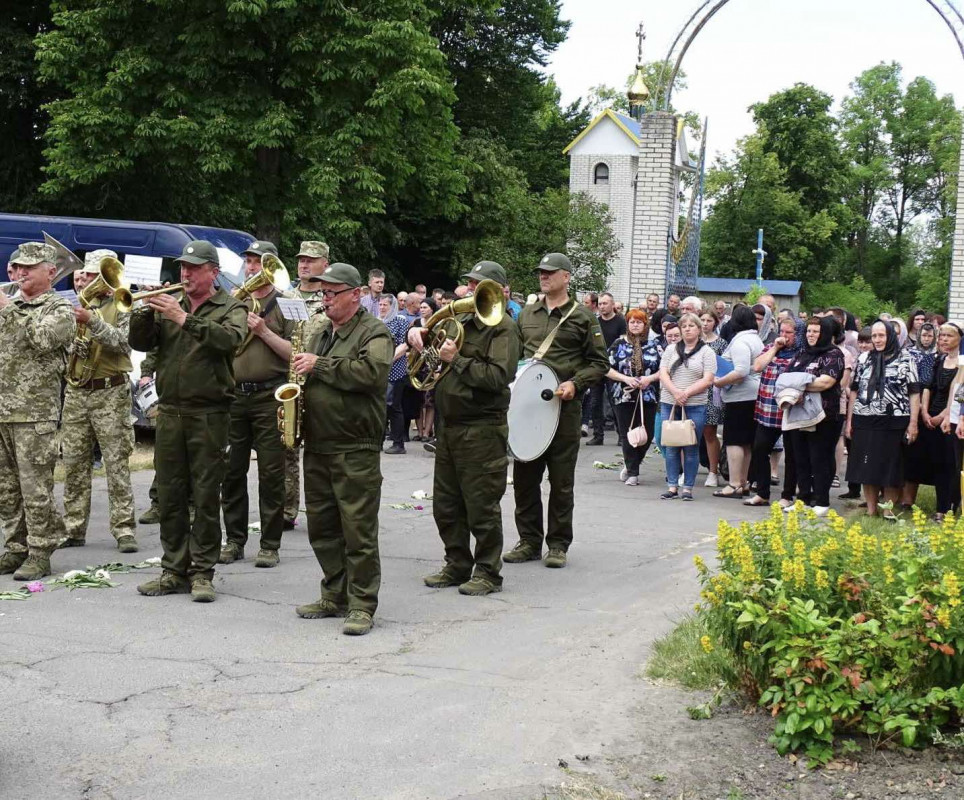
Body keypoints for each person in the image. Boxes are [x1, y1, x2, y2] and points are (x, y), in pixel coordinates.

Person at [131, 240, 247, 602]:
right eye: (183, 267)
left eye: (194, 268)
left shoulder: (232, 306)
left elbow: (231, 341)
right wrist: (143, 313)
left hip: (209, 413)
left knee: (205, 494)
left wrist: (184, 318)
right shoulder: (172, 303)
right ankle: (173, 569)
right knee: (170, 494)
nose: (185, 273)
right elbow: (140, 343)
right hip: (170, 412)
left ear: (213, 272)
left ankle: (202, 572)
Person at [408, 261, 521, 595]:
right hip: (451, 426)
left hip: (482, 428)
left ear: (499, 291)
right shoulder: (461, 321)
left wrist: (455, 359)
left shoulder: (504, 328)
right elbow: (430, 360)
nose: (471, 291)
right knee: (446, 504)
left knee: (481, 504)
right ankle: (457, 563)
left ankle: (488, 572)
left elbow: (498, 377)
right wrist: (420, 335)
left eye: (478, 286)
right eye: (470, 285)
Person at [292, 262, 391, 635]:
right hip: (318, 444)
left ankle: (362, 604)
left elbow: (372, 374)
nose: (325, 299)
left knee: (358, 531)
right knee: (322, 527)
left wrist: (319, 366)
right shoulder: (320, 334)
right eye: (322, 293)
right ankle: (334, 593)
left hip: (355, 445)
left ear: (356, 294)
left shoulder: (374, 331)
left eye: (332, 293)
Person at [506, 253, 608, 568]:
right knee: (525, 478)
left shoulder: (583, 317)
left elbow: (599, 363)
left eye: (550, 272)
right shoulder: (526, 314)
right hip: (529, 409)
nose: (543, 276)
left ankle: (558, 544)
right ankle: (528, 541)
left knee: (561, 481)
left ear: (566, 277)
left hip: (564, 407)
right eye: (541, 272)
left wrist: (576, 384)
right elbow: (515, 359)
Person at [0, 242, 76, 580]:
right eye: (18, 267)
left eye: (29, 268)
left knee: (35, 489)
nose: (21, 273)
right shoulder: (13, 305)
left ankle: (40, 551)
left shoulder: (59, 308)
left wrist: (8, 310)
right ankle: (15, 548)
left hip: (35, 414)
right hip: (3, 409)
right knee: (7, 489)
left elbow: (43, 340)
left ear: (50, 271)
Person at [218, 241, 295, 569]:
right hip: (234, 396)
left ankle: (270, 544)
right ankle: (234, 540)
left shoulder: (287, 304)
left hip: (269, 397)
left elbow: (295, 353)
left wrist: (263, 330)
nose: (251, 268)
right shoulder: (233, 302)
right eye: (248, 262)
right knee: (231, 472)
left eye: (258, 263)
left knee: (271, 473)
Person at [61, 249, 138, 553]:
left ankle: (124, 529)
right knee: (75, 463)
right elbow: (62, 343)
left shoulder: (123, 304)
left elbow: (123, 343)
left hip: (110, 391)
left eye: (98, 276)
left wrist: (92, 322)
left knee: (116, 462)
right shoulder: (80, 304)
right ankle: (73, 528)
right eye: (90, 275)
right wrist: (74, 345)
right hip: (78, 391)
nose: (92, 282)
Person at [845, 320, 920, 519]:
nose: (877, 340)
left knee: (890, 467)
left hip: (894, 421)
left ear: (890, 336)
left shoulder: (906, 358)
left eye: (881, 336)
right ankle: (871, 510)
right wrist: (850, 421)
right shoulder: (863, 358)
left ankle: (887, 510)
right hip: (864, 420)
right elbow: (854, 391)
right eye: (874, 336)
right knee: (866, 467)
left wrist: (913, 423)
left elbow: (914, 392)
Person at [286, 240, 331, 530]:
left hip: (320, 382)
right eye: (301, 259)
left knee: (320, 450)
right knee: (286, 448)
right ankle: (287, 510)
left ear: (324, 264)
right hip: (289, 382)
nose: (304, 264)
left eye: (311, 260)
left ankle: (323, 511)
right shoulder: (286, 297)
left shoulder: (331, 298)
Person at [782, 317, 845, 516]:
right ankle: (803, 499)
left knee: (819, 458)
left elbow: (825, 382)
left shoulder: (834, 354)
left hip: (824, 416)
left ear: (824, 333)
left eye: (816, 331)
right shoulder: (802, 353)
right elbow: (784, 378)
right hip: (798, 413)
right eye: (809, 331)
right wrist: (802, 382)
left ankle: (821, 501)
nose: (811, 335)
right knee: (800, 458)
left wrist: (797, 384)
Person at [743, 317, 805, 508]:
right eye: (782, 332)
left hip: (790, 411)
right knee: (760, 449)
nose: (784, 336)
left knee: (793, 455)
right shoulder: (771, 347)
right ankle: (762, 493)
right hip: (768, 410)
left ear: (798, 334)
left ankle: (787, 496)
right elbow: (757, 366)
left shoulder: (803, 353)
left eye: (789, 333)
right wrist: (775, 348)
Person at [657, 312, 716, 500]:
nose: (687, 329)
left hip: (695, 404)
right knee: (672, 445)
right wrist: (675, 392)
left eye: (692, 326)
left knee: (691, 445)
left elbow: (708, 379)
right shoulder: (671, 350)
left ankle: (688, 488)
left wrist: (686, 393)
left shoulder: (707, 352)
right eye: (684, 326)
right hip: (670, 402)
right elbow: (663, 373)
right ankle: (672, 486)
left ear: (699, 329)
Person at [910, 323, 962, 520]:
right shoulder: (938, 360)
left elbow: (959, 393)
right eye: (942, 336)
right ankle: (940, 508)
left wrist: (944, 414)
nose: (944, 340)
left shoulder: (962, 361)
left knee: (952, 466)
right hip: (930, 417)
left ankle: (951, 507)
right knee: (938, 464)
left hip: (951, 418)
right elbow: (927, 386)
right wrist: (924, 411)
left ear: (959, 339)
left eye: (949, 336)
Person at [713, 305, 763, 497]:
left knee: (734, 441)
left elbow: (740, 371)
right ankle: (744, 481)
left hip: (740, 396)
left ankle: (734, 483)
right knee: (746, 442)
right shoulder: (756, 339)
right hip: (752, 395)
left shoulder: (741, 342)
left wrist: (719, 382)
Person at [606, 309, 661, 486]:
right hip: (624, 394)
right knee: (627, 433)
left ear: (645, 325)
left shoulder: (654, 345)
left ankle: (633, 463)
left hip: (648, 394)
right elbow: (606, 368)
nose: (635, 325)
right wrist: (626, 379)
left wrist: (649, 379)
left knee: (647, 433)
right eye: (632, 322)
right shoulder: (618, 344)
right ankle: (633, 472)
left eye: (639, 322)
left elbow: (665, 369)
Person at [586, 291, 626, 446]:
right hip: (597, 366)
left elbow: (622, 344)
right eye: (600, 304)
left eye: (605, 303)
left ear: (612, 304)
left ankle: (621, 436)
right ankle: (598, 435)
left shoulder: (620, 322)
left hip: (613, 368)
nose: (602, 307)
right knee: (595, 402)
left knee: (615, 401)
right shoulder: (595, 322)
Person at [380, 294, 412, 455]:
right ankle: (378, 441)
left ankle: (398, 443)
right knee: (381, 407)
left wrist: (389, 359)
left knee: (394, 407)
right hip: (380, 371)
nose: (382, 307)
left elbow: (405, 344)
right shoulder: (378, 322)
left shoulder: (400, 321)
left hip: (395, 371)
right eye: (380, 304)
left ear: (392, 306)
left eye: (385, 305)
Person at [699, 309, 726, 487]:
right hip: (693, 390)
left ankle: (713, 471)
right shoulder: (693, 341)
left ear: (715, 323)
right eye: (702, 319)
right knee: (689, 432)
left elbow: (724, 367)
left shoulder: (721, 343)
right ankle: (686, 470)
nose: (705, 323)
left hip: (711, 392)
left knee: (709, 432)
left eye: (709, 320)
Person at [412, 297, 438, 441]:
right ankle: (420, 431)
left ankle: (427, 432)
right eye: (421, 307)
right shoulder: (416, 323)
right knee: (418, 401)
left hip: (430, 364)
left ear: (432, 309)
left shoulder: (437, 323)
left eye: (425, 307)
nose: (422, 310)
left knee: (429, 401)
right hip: (418, 363)